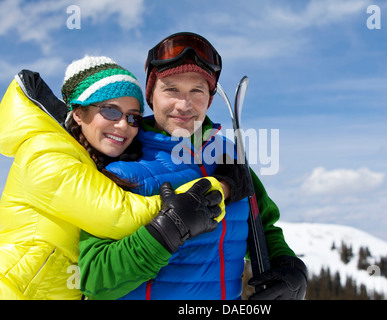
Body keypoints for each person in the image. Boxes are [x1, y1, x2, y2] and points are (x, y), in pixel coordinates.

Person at [78, 32, 308, 300]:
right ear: (151, 95)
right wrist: (166, 231)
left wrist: (289, 266)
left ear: (209, 99)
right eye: (171, 89)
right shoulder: (122, 164)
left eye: (197, 91)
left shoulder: (228, 154)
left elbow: (262, 223)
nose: (184, 105)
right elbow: (94, 279)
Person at [0, 56, 224, 300]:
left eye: (133, 118)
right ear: (78, 113)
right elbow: (117, 213)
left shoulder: (91, 160)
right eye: (110, 111)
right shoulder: (46, 153)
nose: (122, 126)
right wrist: (212, 189)